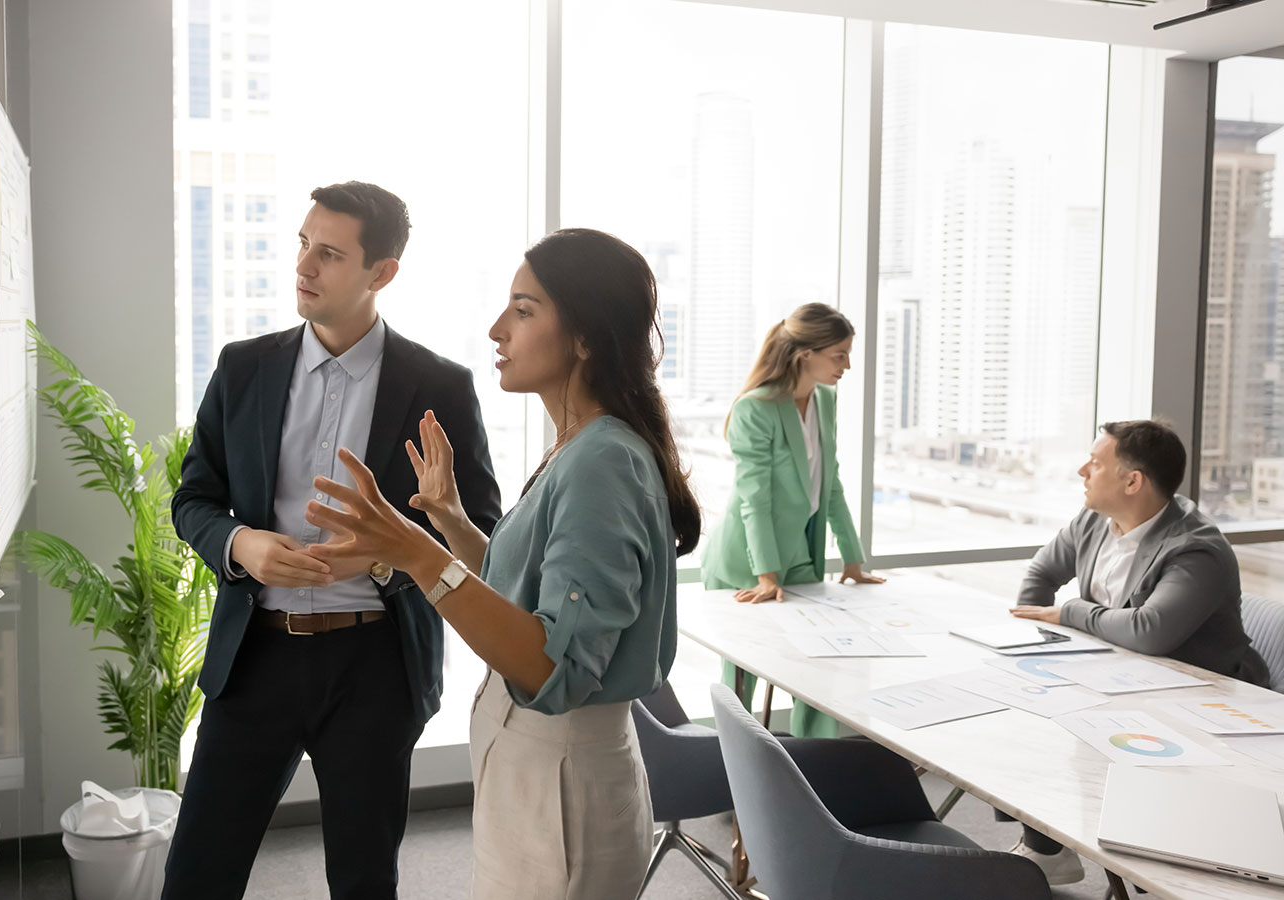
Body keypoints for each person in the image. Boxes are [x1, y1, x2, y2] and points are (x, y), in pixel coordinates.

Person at [301, 228, 700, 899]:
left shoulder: (603, 459)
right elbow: (524, 603)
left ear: (584, 337)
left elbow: (552, 666)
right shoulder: (579, 448)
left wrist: (416, 554)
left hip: (561, 781)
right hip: (534, 771)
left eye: (522, 310)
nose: (496, 329)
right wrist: (452, 522)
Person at [163, 181, 502, 900]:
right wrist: (241, 545)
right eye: (302, 245)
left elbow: (482, 535)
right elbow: (194, 499)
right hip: (255, 655)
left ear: (382, 273)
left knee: (363, 880)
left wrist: (391, 555)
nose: (304, 266)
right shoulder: (243, 368)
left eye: (329, 253)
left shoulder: (438, 385)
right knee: (197, 874)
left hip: (374, 663)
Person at [1005, 418, 1268, 884]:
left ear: (1133, 481)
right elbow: (1039, 579)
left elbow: (1151, 632)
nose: (1082, 471)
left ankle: (1154, 871)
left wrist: (1069, 614)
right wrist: (1046, 650)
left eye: (1096, 463)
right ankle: (1047, 848)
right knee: (1022, 712)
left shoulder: (1196, 548)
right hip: (1123, 680)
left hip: (1200, 698)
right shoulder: (1093, 520)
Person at [700, 302, 883, 739]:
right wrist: (765, 576)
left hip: (801, 554)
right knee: (744, 679)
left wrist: (852, 561)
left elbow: (830, 483)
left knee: (819, 667)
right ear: (806, 353)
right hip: (746, 560)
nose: (847, 365)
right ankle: (741, 780)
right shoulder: (755, 408)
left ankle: (816, 773)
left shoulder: (826, 401)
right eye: (839, 354)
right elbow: (755, 500)